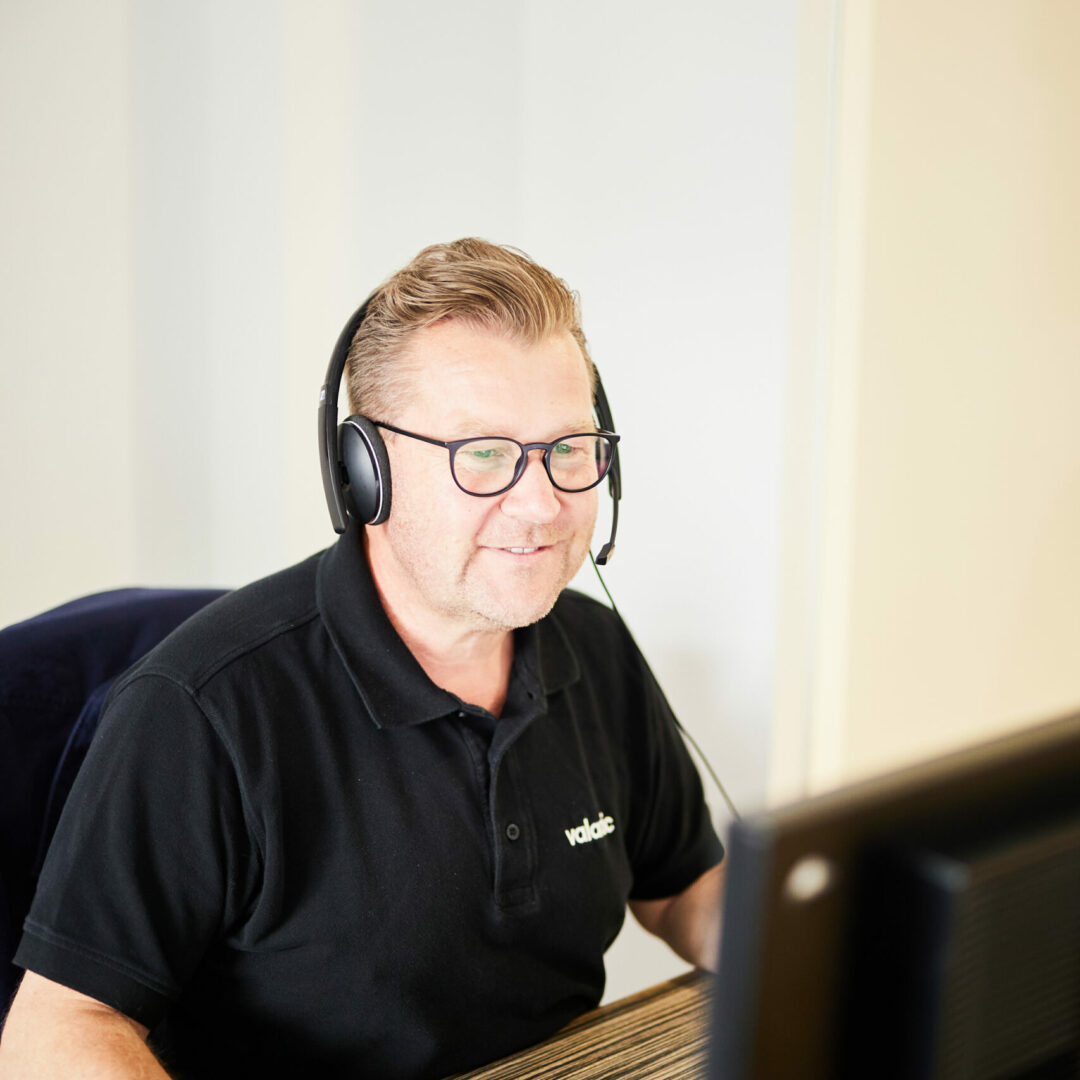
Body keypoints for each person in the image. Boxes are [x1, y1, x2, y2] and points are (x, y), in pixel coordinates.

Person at [0, 239, 724, 1079]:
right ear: (364, 472)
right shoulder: (201, 709)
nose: (543, 504)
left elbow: (685, 889)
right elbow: (58, 1029)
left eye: (569, 448)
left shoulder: (593, 646)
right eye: (483, 453)